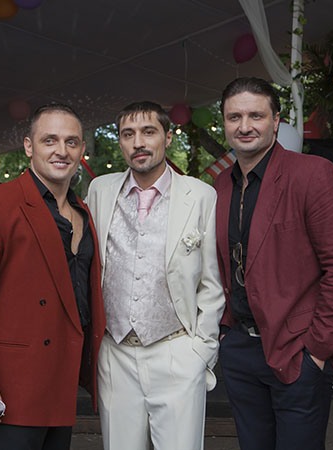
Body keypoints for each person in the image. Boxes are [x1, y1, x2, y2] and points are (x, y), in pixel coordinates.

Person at [214, 76, 333, 450]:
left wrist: (318, 350)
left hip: (297, 349)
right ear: (225, 123)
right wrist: (224, 335)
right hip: (240, 350)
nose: (245, 126)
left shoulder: (313, 174)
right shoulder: (221, 186)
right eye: (234, 117)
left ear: (276, 120)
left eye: (256, 115)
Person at [0, 103, 106, 450]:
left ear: (81, 149)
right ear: (29, 146)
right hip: (14, 384)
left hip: (64, 380)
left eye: (71, 142)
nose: (61, 150)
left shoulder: (83, 212)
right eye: (50, 140)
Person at [86, 101, 225, 450]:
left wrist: (201, 351)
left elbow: (212, 282)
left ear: (168, 136)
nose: (138, 143)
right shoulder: (100, 190)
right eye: (128, 134)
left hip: (176, 350)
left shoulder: (200, 195)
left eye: (148, 132)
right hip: (115, 352)